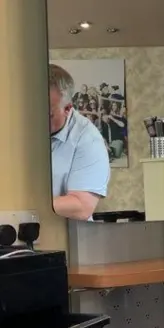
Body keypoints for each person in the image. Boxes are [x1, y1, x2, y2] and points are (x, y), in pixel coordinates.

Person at [49, 64, 110, 221]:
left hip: (68, 239)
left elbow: (81, 206)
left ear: (68, 108)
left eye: (48, 114)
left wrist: (28, 208)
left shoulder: (89, 140)